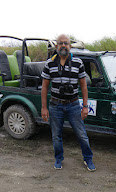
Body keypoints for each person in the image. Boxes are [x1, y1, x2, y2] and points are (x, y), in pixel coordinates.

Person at [41, 34, 96, 171]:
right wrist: (44, 107)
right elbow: (45, 87)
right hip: (55, 105)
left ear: (70, 46)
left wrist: (84, 106)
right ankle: (58, 158)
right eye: (60, 43)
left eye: (66, 43)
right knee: (56, 136)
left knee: (82, 134)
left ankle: (88, 159)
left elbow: (83, 86)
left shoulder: (78, 63)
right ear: (56, 46)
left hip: (73, 105)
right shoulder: (50, 63)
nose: (63, 46)